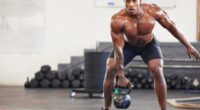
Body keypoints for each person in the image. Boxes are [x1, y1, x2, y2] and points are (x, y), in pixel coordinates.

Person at [102, 0, 200, 110]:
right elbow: (118, 49)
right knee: (110, 68)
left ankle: (163, 109)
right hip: (127, 46)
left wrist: (188, 46)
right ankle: (106, 108)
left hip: (148, 45)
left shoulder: (153, 11)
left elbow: (171, 26)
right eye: (127, 1)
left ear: (140, 1)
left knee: (157, 69)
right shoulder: (118, 20)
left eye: (134, 1)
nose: (130, 4)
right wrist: (121, 75)